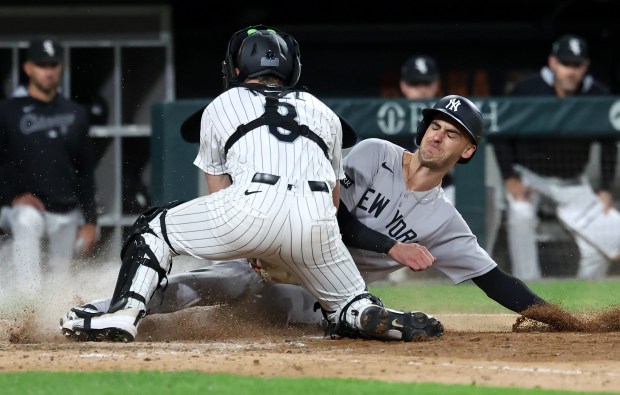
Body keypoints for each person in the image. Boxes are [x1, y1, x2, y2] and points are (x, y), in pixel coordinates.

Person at [62, 94, 581, 337]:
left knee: (306, 316)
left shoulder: (446, 223)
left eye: (451, 132)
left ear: (467, 151)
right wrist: (390, 246)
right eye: (434, 124)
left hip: (319, 293)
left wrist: (561, 318)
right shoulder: (372, 153)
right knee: (214, 284)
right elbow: (327, 214)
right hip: (274, 251)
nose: (436, 134)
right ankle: (104, 309)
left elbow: (496, 282)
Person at [60, 25, 444, 343]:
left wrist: (251, 244)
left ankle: (122, 315)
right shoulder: (325, 113)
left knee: (152, 229)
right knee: (346, 304)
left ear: (238, 67)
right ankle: (363, 314)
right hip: (317, 224)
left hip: (250, 207)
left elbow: (220, 192)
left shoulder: (223, 103)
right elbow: (333, 200)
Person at [493, 33, 617, 280]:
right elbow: (501, 134)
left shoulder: (597, 94)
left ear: (586, 67)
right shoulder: (528, 89)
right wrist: (509, 177)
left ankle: (582, 305)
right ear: (552, 63)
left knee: (604, 241)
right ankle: (529, 293)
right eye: (565, 64)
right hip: (531, 179)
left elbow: (608, 142)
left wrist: (605, 188)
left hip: (573, 183)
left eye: (576, 65)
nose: (571, 71)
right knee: (520, 215)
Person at [0, 37, 98, 294]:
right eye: (41, 64)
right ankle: (24, 307)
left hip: (64, 210)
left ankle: (44, 322)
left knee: (60, 285)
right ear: (28, 68)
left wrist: (91, 220)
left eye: (53, 64)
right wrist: (12, 195)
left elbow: (85, 169)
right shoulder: (8, 111)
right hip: (21, 207)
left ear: (61, 67)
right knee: (26, 220)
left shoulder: (75, 112)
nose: (48, 70)